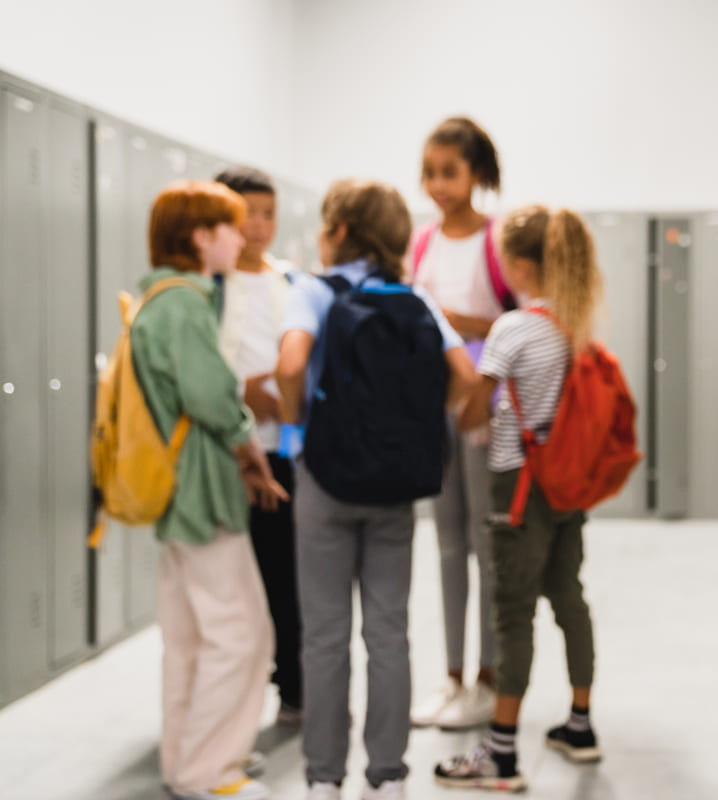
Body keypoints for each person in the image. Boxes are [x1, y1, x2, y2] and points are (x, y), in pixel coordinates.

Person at [276, 178, 477, 800]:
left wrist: (297, 431)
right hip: (395, 486)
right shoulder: (415, 298)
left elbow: (288, 367)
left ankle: (324, 777)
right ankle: (387, 775)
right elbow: (465, 376)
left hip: (326, 481)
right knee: (389, 632)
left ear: (337, 232)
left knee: (325, 633)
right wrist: (417, 428)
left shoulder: (312, 290)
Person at [433, 206, 604, 793]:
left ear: (519, 264)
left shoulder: (512, 328)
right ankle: (580, 726)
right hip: (566, 488)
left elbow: (473, 412)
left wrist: (464, 393)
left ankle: (501, 755)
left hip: (519, 489)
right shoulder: (575, 324)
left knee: (511, 614)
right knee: (569, 600)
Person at [136, 180, 288, 800]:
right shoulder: (187, 304)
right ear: (202, 237)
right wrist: (250, 447)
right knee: (241, 631)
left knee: (190, 638)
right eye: (230, 225)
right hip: (203, 494)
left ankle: (185, 764)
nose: (242, 236)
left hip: (175, 496)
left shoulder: (156, 300)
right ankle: (212, 771)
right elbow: (212, 397)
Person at [409, 116, 513, 731]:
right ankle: (450, 677)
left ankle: (488, 677)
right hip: (433, 407)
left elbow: (520, 326)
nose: (438, 184)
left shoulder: (498, 242)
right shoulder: (421, 242)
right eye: (429, 172)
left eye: (449, 171)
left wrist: (458, 320)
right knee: (446, 544)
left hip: (485, 409)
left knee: (484, 546)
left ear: (476, 173)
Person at [214, 165, 304, 726]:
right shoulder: (210, 285)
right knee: (231, 584)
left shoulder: (290, 281)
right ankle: (231, 703)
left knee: (286, 578)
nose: (259, 225)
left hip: (283, 451)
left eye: (268, 213)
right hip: (225, 453)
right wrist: (242, 393)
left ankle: (293, 686)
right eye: (247, 213)